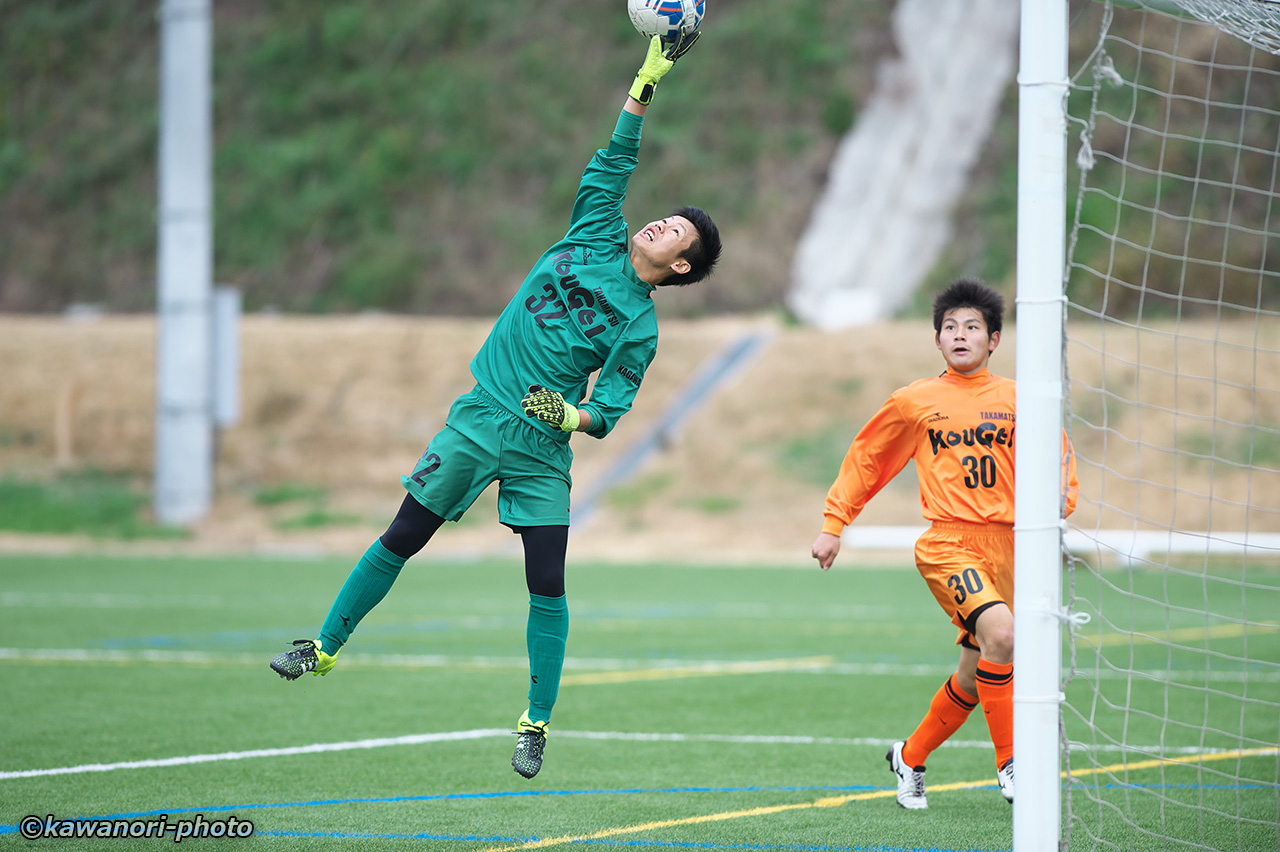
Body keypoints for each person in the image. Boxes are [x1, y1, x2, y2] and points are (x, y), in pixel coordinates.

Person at [268, 29, 719, 781]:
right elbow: (615, 161)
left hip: (542, 448)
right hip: (480, 419)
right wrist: (646, 81)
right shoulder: (595, 230)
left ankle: (535, 723)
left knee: (547, 581)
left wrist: (568, 417)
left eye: (676, 232)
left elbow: (609, 408)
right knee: (403, 534)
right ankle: (322, 647)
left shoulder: (640, 325)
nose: (659, 222)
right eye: (667, 215)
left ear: (678, 266)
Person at [809, 278, 1078, 809]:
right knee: (1003, 633)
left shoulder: (1020, 398)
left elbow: (1058, 457)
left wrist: (1060, 502)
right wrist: (833, 522)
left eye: (972, 327)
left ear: (994, 339)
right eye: (949, 327)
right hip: (949, 543)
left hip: (1013, 547)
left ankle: (909, 755)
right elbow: (868, 460)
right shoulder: (915, 401)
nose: (960, 334)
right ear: (937, 341)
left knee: (977, 675)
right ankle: (1011, 764)